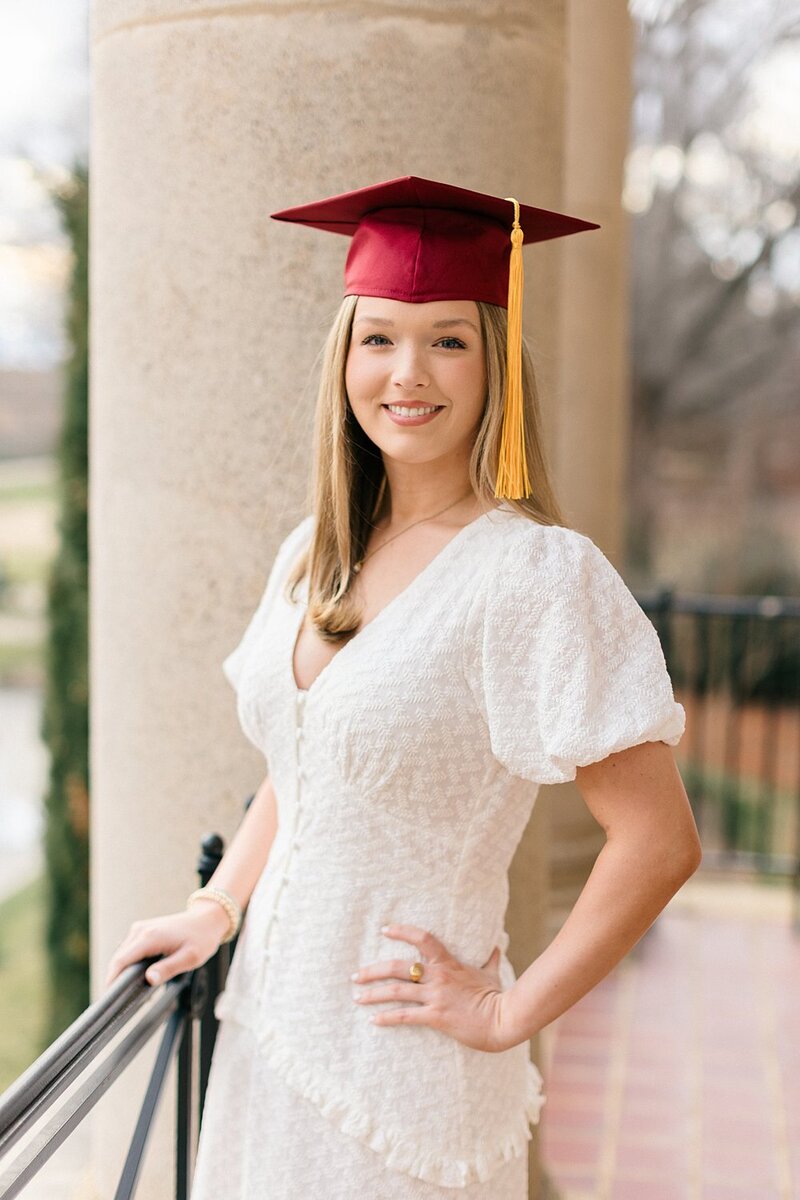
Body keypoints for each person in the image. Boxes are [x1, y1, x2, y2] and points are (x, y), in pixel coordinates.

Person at [103, 175, 702, 1198]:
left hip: (400, 1076)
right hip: (267, 1032)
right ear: (343, 356)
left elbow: (658, 843)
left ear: (494, 363)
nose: (406, 372)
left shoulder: (531, 577)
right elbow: (305, 765)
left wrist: (510, 1013)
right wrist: (217, 903)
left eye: (448, 340)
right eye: (378, 337)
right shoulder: (314, 556)